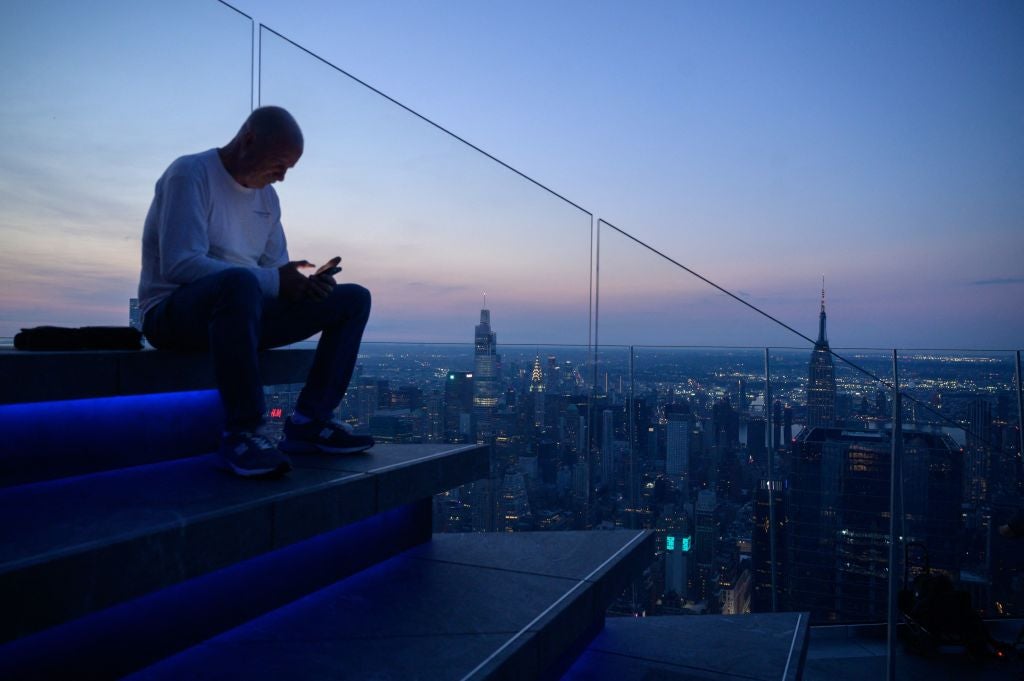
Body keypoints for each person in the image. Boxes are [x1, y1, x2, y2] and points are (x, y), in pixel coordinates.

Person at [138, 106, 374, 478]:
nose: (281, 177)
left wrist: (304, 287)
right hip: (173, 314)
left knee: (353, 299)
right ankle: (243, 431)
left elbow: (274, 270)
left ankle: (310, 422)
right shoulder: (190, 174)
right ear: (248, 140)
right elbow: (180, 264)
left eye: (288, 169)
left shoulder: (267, 200)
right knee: (241, 284)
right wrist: (273, 281)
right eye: (278, 164)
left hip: (243, 312)